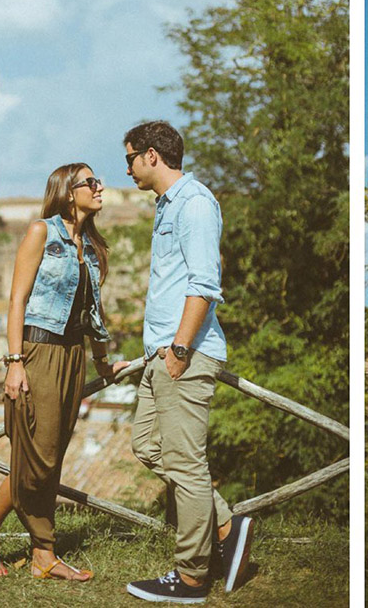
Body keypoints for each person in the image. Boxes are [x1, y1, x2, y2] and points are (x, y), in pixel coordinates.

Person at [0, 163, 125, 581]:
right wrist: (14, 362)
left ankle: (42, 556)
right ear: (69, 192)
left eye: (98, 181)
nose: (99, 186)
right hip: (39, 350)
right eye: (90, 182)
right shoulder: (42, 231)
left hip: (74, 356)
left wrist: (103, 361)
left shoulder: (90, 246)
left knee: (50, 457)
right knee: (38, 457)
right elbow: (16, 299)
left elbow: (94, 313)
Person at [122, 120, 254, 603]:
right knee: (146, 445)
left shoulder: (195, 203)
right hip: (161, 353)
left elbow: (203, 283)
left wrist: (179, 349)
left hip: (185, 354)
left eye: (131, 158)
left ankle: (193, 577)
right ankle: (225, 526)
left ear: (152, 155)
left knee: (186, 465)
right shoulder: (168, 206)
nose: (129, 168)